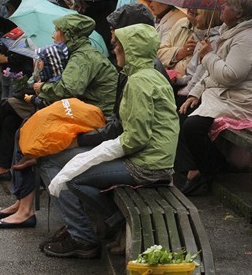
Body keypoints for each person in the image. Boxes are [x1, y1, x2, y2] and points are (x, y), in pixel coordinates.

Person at [40, 23, 178, 256]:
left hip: (147, 165)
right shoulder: (149, 75)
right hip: (154, 159)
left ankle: (115, 222)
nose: (114, 51)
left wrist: (99, 151)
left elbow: (136, 138)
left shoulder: (139, 82)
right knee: (75, 166)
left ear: (132, 50)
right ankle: (109, 226)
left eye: (118, 47)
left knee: (73, 178)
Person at [178, 0, 252, 195]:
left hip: (242, 101)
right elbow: (214, 73)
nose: (221, 7)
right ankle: (197, 168)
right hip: (224, 94)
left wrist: (207, 56)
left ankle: (210, 170)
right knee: (183, 107)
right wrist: (195, 93)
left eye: (227, 5)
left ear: (238, 13)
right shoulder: (230, 31)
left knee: (193, 126)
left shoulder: (248, 38)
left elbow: (230, 75)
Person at [0, 43, 67, 180]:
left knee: (6, 105)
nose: (38, 63)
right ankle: (3, 167)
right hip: (37, 101)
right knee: (10, 120)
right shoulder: (46, 72)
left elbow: (54, 94)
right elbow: (32, 84)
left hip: (46, 107)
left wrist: (39, 88)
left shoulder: (60, 72)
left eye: (41, 61)